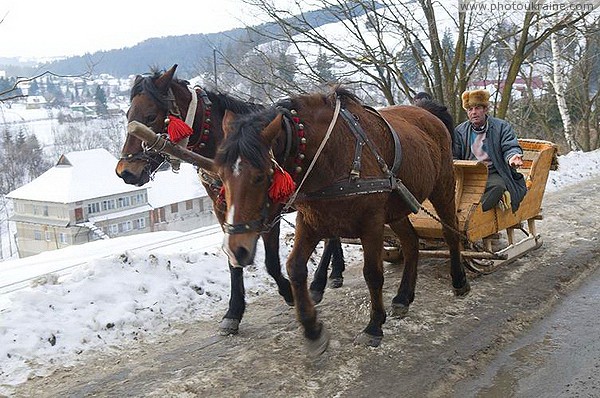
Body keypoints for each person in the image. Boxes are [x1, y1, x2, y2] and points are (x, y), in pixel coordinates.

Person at [453, 89, 527, 213]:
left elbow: (509, 146)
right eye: (470, 109)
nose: (474, 112)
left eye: (477, 108)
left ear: (485, 109)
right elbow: (454, 155)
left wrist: (512, 156)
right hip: (468, 175)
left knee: (497, 187)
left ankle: (474, 216)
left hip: (493, 172)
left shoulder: (501, 127)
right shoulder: (460, 131)